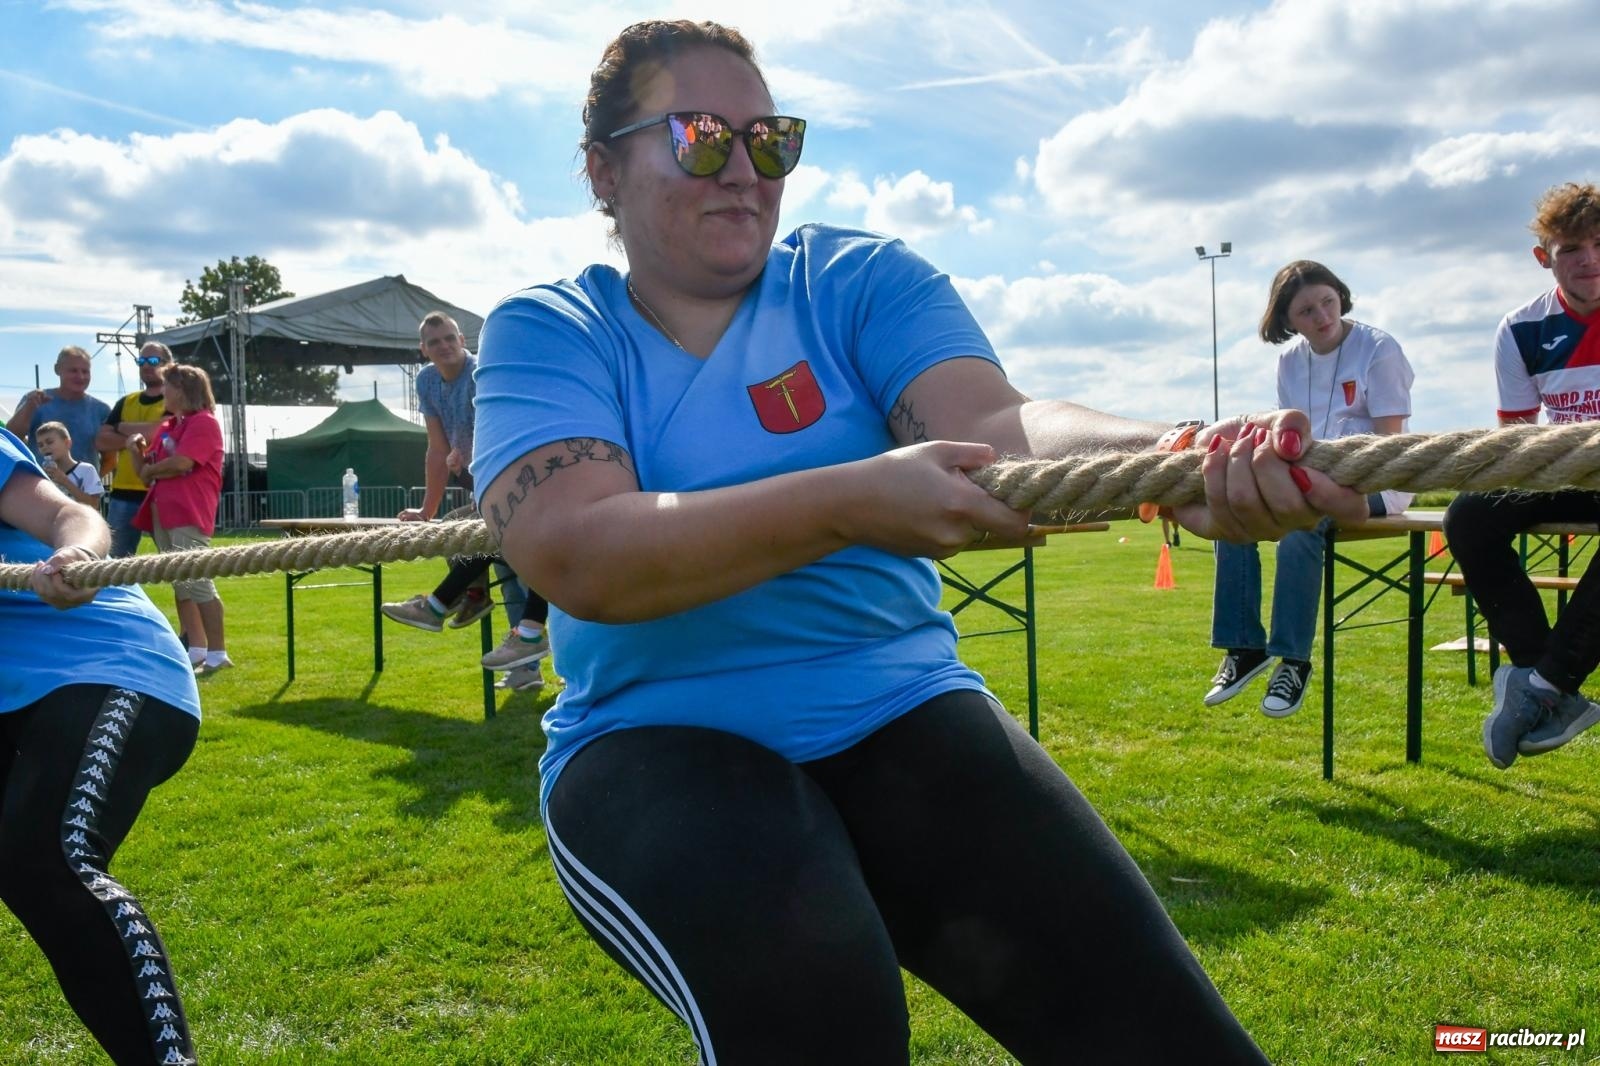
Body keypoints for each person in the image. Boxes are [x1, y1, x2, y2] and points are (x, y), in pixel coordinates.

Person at [470, 20, 1359, 1062]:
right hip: (649, 743)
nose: (746, 170)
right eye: (703, 137)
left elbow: (996, 427)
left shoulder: (855, 281)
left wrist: (1166, 461)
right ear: (601, 169)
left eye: (773, 140)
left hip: (901, 708)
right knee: (822, 1014)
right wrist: (848, 501)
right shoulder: (551, 331)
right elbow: (579, 551)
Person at [0, 425, 201, 1066]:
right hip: (16, 697)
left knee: (45, 857)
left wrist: (78, 557)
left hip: (107, 665)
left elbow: (67, 512)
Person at [1204, 261, 1414, 717]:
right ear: (1287, 321)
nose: (1321, 317)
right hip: (1304, 479)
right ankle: (1244, 648)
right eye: (1305, 311)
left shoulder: (1379, 348)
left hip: (1376, 484)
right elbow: (1288, 436)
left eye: (1327, 302)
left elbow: (1388, 446)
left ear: (1341, 296)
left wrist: (1321, 475)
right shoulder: (1289, 361)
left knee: (1302, 526)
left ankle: (1294, 661)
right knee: (1232, 510)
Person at [1446, 181, 1600, 770]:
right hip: (1562, 468)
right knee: (1469, 516)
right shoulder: (1520, 328)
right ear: (1545, 258)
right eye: (1571, 249)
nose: (1588, 259)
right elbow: (1516, 439)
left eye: (1597, 243)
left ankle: (1545, 685)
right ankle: (1545, 674)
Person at [380, 312, 552, 693]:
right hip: (486, 482)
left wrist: (467, 457)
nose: (444, 346)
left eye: (449, 338)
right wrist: (427, 511)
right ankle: (509, 643)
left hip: (516, 477)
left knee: (502, 551)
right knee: (472, 539)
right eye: (434, 341)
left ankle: (452, 602)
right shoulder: (428, 381)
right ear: (423, 350)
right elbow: (436, 449)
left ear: (463, 338)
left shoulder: (483, 372)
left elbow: (509, 427)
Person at [125, 364, 231, 676]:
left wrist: (156, 468)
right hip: (164, 510)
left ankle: (218, 652)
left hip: (189, 510)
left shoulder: (204, 423)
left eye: (167, 386)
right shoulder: (170, 426)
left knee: (198, 581)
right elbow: (148, 473)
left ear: (182, 390)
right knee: (180, 582)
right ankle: (197, 648)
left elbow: (183, 463)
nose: (163, 392)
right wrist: (136, 452)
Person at [96, 342, 174, 558]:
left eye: (153, 361)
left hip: (161, 491)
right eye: (141, 361)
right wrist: (135, 439)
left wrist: (120, 428)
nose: (146, 366)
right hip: (123, 495)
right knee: (114, 565)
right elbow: (101, 441)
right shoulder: (126, 402)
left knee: (176, 563)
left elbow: (157, 432)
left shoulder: (174, 400)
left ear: (168, 365)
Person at [6, 346, 113, 470]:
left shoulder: (101, 410)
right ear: (57, 369)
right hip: (42, 484)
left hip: (82, 488)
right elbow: (11, 436)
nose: (80, 376)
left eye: (85, 371)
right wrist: (29, 407)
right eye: (73, 370)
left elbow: (110, 457)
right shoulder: (35, 400)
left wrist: (92, 483)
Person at [35, 421, 105, 510]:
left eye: (49, 442)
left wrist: (64, 481)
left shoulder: (87, 470)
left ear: (67, 443)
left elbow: (93, 505)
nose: (44, 447)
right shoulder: (42, 474)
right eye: (40, 445)